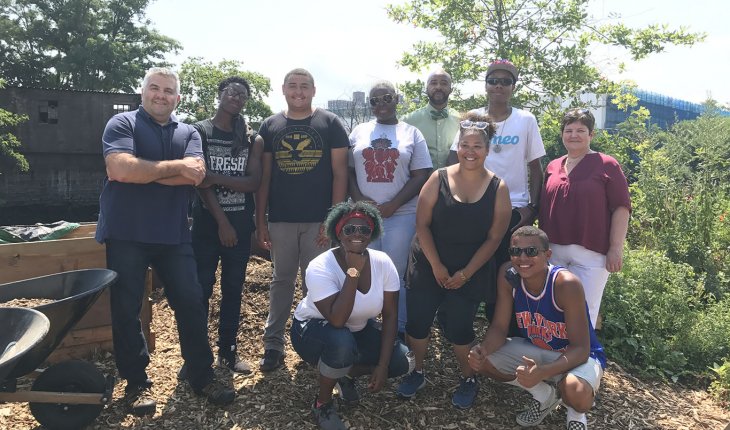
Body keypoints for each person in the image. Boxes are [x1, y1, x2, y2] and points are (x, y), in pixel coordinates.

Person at [96, 67, 235, 416]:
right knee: (126, 309)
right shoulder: (122, 124)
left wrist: (143, 172)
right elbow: (119, 170)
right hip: (126, 232)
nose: (161, 95)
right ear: (143, 92)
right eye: (154, 88)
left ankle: (201, 376)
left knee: (191, 300)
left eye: (168, 90)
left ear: (177, 97)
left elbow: (195, 176)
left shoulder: (189, 132)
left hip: (173, 236)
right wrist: (171, 170)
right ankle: (136, 381)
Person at [397, 113, 511, 408]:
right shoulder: (439, 178)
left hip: (470, 268)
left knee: (460, 328)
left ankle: (469, 376)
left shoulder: (498, 188)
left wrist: (466, 272)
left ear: (487, 149)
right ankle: (417, 371)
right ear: (457, 146)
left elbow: (494, 238)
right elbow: (421, 225)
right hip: (428, 261)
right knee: (418, 323)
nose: (470, 151)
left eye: (477, 146)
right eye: (465, 145)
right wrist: (436, 266)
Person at [255, 68, 349, 371]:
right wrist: (260, 221)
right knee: (281, 281)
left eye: (304, 86)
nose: (299, 91)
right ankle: (273, 346)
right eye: (293, 86)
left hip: (318, 222)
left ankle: (314, 343)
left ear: (313, 90)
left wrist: (331, 220)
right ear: (283, 89)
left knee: (317, 283)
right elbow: (265, 177)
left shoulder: (330, 123)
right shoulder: (271, 125)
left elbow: (340, 174)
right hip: (281, 219)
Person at [468, 226, 606, 430]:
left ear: (547, 255)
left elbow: (581, 349)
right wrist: (483, 350)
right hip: (538, 349)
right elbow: (499, 327)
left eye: (531, 251)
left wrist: (543, 371)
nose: (522, 258)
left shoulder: (566, 284)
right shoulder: (509, 276)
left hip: (576, 356)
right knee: (484, 362)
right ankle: (544, 396)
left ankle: (576, 415)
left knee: (575, 392)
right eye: (515, 251)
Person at [290, 201, 412, 430]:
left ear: (372, 233)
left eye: (364, 229)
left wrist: (383, 366)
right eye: (350, 229)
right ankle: (322, 403)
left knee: (402, 360)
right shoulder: (319, 266)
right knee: (340, 342)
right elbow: (337, 319)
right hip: (312, 330)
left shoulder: (383, 263)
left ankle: (345, 374)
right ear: (338, 232)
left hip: (356, 330)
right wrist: (353, 271)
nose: (358, 234)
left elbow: (390, 315)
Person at [191, 76, 263, 374]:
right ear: (220, 94)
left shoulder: (251, 139)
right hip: (208, 226)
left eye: (243, 95)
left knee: (233, 289)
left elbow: (253, 182)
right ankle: (196, 356)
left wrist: (218, 177)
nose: (237, 97)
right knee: (201, 289)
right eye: (232, 92)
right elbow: (199, 182)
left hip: (241, 222)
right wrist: (222, 222)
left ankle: (228, 352)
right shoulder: (199, 132)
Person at [348, 80, 432, 334]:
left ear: (397, 99)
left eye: (386, 98)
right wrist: (359, 199)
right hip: (364, 217)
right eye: (375, 100)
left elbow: (422, 174)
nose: (381, 104)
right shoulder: (358, 132)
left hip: (401, 215)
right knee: (364, 269)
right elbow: (348, 171)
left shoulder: (411, 133)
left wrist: (394, 204)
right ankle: (367, 327)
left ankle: (398, 329)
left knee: (396, 273)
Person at [447, 59, 545, 273]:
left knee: (507, 274)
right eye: (492, 81)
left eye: (505, 81)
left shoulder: (526, 119)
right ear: (486, 85)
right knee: (471, 273)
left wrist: (533, 207)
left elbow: (536, 167)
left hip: (514, 209)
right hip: (475, 207)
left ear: (513, 87)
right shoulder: (473, 119)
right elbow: (454, 160)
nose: (498, 85)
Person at [538, 108, 631, 327]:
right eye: (568, 130)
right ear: (562, 134)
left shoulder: (607, 164)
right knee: (552, 311)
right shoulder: (553, 166)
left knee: (583, 315)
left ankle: (582, 359)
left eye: (581, 130)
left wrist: (616, 248)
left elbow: (621, 207)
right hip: (553, 252)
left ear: (591, 135)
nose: (574, 135)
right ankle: (554, 359)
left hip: (591, 254)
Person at [402, 69, 461, 169]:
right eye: (433, 83)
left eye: (444, 83)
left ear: (451, 89)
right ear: (426, 89)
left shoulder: (460, 121)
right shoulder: (408, 121)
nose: (438, 87)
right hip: (420, 183)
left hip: (453, 182)